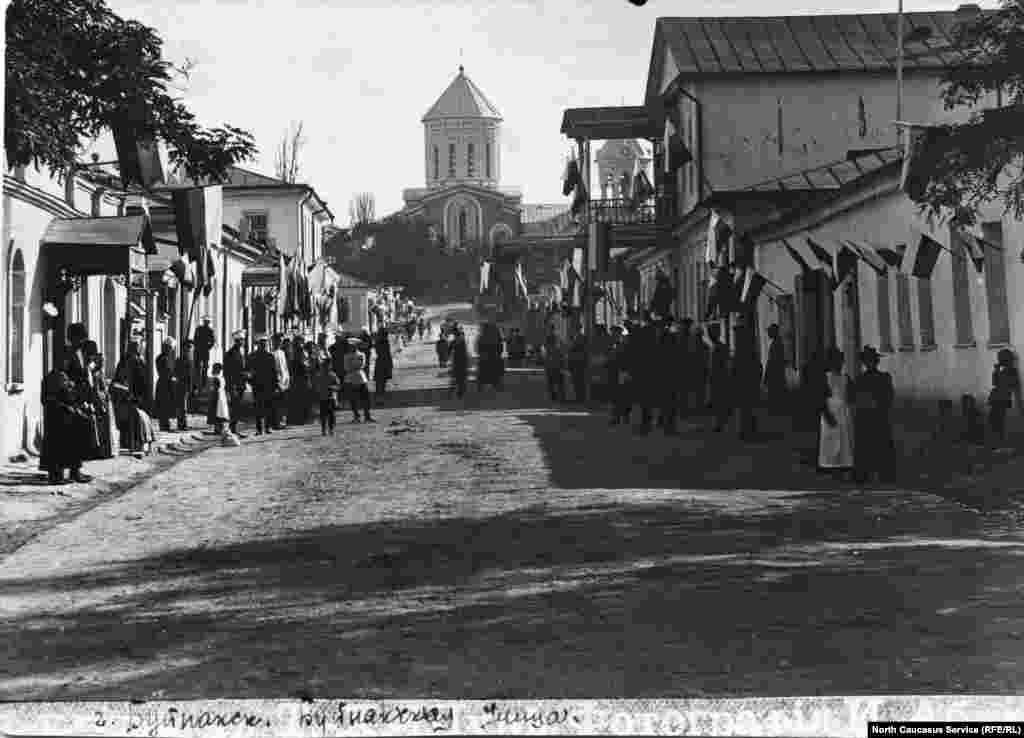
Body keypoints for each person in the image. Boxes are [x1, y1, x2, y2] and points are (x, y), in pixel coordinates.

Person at [39, 323, 93, 484]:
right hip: (60, 400)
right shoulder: (65, 353)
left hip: (73, 399)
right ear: (73, 338)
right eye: (80, 338)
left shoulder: (79, 353)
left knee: (75, 436)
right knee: (59, 439)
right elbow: (61, 377)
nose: (82, 341)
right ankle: (56, 474)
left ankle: (75, 471)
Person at [851, 345, 895, 484]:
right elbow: (854, 398)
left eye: (872, 361)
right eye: (867, 361)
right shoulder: (861, 379)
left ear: (876, 362)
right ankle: (865, 473)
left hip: (877, 417)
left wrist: (878, 404)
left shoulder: (883, 377)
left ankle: (883, 473)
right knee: (867, 446)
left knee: (879, 445)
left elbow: (889, 397)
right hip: (867, 418)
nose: (870, 363)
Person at [817, 346, 854, 476]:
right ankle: (830, 465)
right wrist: (826, 413)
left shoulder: (845, 378)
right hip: (830, 410)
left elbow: (850, 396)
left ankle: (845, 465)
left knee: (844, 439)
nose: (838, 364)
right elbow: (821, 398)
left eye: (840, 361)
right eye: (835, 362)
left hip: (843, 411)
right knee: (830, 439)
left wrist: (849, 404)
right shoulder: (825, 378)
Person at [112, 340, 150, 454]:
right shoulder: (126, 361)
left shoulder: (138, 360)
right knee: (132, 419)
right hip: (128, 394)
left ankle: (135, 443)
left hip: (136, 393)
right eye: (135, 347)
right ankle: (131, 443)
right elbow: (121, 378)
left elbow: (142, 378)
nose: (137, 349)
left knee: (138, 419)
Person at [82, 341, 114, 460]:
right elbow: (94, 388)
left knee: (103, 428)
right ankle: (98, 451)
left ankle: (104, 451)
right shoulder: (92, 371)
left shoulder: (97, 371)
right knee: (98, 429)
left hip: (102, 400)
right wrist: (101, 400)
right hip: (97, 401)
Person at [988, 348, 1022, 446]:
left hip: (1004, 398)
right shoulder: (1002, 369)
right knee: (994, 420)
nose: (999, 360)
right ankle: (996, 441)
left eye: (1001, 358)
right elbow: (994, 382)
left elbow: (1013, 385)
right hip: (997, 398)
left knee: (1001, 422)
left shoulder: (1012, 371)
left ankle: (1001, 442)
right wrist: (996, 370)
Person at [250, 336, 278, 435]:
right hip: (258, 385)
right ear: (258, 345)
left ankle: (267, 427)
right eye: (262, 343)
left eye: (265, 344)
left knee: (267, 406)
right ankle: (259, 429)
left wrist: (275, 385)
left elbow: (274, 372)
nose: (263, 345)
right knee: (258, 407)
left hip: (267, 385)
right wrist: (251, 382)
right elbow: (249, 371)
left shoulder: (270, 356)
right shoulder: (252, 356)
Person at [224, 331, 248, 437]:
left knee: (237, 408)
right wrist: (230, 385)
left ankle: (234, 429)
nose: (243, 342)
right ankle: (232, 430)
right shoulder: (231, 353)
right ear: (237, 341)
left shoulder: (240, 352)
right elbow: (228, 371)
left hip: (240, 384)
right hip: (234, 384)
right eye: (241, 341)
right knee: (234, 407)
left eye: (243, 340)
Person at [343, 339, 373, 423]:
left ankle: (367, 415)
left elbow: (362, 365)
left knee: (365, 398)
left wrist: (353, 365)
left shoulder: (361, 355)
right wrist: (354, 366)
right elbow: (346, 367)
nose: (351, 347)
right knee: (353, 399)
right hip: (350, 378)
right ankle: (356, 416)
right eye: (350, 346)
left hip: (361, 377)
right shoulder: (346, 356)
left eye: (353, 346)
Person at [707, 325, 731, 432]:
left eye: (711, 333)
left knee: (719, 401)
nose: (710, 335)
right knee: (717, 401)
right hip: (715, 377)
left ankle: (720, 423)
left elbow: (725, 363)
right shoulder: (715, 347)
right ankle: (719, 423)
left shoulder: (720, 347)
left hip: (719, 377)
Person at [762, 324, 788, 416]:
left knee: (775, 393)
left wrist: (766, 376)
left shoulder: (776, 344)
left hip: (775, 374)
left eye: (769, 331)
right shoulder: (777, 343)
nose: (768, 333)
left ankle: (777, 411)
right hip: (777, 373)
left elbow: (772, 361)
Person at [154, 338, 178, 432]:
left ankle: (165, 425)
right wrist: (172, 378)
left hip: (166, 383)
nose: (171, 350)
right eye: (170, 348)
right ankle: (164, 426)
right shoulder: (162, 358)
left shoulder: (166, 358)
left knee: (166, 406)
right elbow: (166, 372)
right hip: (165, 384)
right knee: (164, 405)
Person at [476, 322, 505, 391]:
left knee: (484, 375)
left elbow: (478, 349)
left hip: (484, 359)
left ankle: (484, 387)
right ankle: (495, 386)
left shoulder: (481, 337)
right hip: (495, 359)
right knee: (494, 375)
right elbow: (500, 349)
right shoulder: (497, 337)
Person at [315, 358, 341, 436]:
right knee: (323, 415)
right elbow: (316, 387)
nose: (327, 367)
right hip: (322, 398)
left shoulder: (333, 375)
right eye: (325, 365)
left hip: (331, 398)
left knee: (331, 415)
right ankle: (324, 429)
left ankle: (331, 429)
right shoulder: (319, 375)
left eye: (328, 365)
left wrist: (333, 388)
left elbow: (338, 386)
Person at [174, 338, 194, 431]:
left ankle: (183, 423)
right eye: (188, 347)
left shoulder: (190, 359)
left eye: (190, 347)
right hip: (181, 384)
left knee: (184, 406)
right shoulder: (180, 359)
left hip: (187, 385)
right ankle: (181, 424)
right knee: (182, 406)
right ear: (184, 348)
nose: (190, 349)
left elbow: (191, 374)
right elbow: (177, 372)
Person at [206, 363, 231, 435]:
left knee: (216, 412)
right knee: (220, 413)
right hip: (221, 396)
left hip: (217, 396)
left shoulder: (216, 378)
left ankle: (218, 429)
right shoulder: (221, 377)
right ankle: (220, 428)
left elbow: (215, 388)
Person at [272, 335, 291, 429]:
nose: (278, 343)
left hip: (285, 380)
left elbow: (285, 367)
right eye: (277, 341)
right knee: (277, 403)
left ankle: (283, 421)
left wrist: (287, 379)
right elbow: (274, 370)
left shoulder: (282, 353)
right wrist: (277, 382)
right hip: (277, 381)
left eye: (280, 341)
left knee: (284, 403)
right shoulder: (272, 354)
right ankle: (277, 422)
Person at [194, 317, 215, 396]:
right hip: (198, 350)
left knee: (205, 367)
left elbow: (212, 341)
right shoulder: (198, 329)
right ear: (204, 322)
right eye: (205, 322)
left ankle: (203, 383)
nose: (206, 323)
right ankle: (197, 383)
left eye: (207, 322)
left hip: (205, 351)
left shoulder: (210, 330)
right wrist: (197, 346)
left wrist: (208, 347)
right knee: (197, 367)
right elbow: (195, 338)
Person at [543, 330, 566, 403]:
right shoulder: (557, 347)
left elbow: (545, 355)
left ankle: (554, 396)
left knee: (551, 382)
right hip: (557, 365)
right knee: (559, 382)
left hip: (551, 365)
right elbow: (561, 355)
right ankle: (561, 397)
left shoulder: (548, 348)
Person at [567, 333, 587, 403]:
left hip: (579, 364)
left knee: (579, 382)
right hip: (576, 364)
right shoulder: (575, 340)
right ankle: (579, 397)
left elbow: (572, 353)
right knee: (577, 382)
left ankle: (580, 397)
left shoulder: (581, 339)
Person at [449, 329, 470, 399]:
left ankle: (456, 390)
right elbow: (466, 352)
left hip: (456, 361)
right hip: (462, 361)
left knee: (457, 376)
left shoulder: (453, 342)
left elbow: (449, 351)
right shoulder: (463, 341)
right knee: (461, 377)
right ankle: (461, 391)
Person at [374, 328, 393, 397]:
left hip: (381, 361)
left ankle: (379, 393)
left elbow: (378, 351)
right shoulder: (385, 341)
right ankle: (380, 393)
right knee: (382, 379)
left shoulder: (379, 341)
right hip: (385, 361)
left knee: (380, 379)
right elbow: (388, 353)